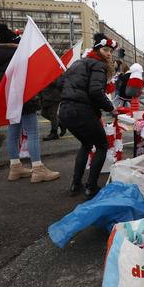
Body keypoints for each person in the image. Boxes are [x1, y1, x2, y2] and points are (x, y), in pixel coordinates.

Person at [0, 23, 59, 183]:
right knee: (32, 133)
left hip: (7, 97)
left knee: (14, 132)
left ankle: (15, 167)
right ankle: (38, 169)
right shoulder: (18, 54)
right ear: (14, 41)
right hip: (23, 96)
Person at [59, 33, 118, 198]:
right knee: (102, 146)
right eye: (106, 50)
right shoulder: (97, 65)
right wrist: (111, 108)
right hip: (82, 110)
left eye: (111, 51)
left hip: (65, 110)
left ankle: (75, 185)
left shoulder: (78, 63)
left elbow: (60, 83)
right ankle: (91, 187)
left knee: (85, 144)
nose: (109, 54)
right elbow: (95, 92)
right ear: (97, 50)